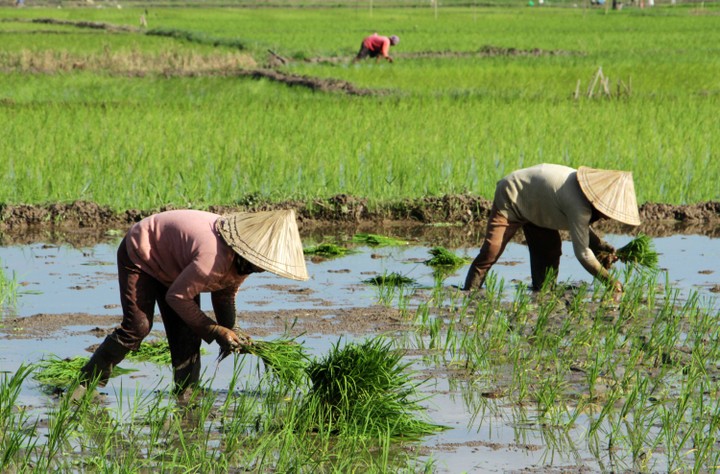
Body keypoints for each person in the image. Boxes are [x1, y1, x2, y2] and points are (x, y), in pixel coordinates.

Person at [75, 209, 308, 400]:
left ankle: (186, 393)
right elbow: (177, 297)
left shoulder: (244, 261)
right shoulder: (212, 258)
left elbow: (224, 294)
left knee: (187, 332)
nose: (265, 268)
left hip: (176, 265)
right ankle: (84, 385)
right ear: (252, 251)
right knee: (137, 326)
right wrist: (215, 331)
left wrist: (232, 330)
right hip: (143, 251)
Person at [462, 163, 641, 295]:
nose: (608, 217)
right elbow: (583, 254)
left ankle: (542, 294)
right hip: (512, 195)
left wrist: (600, 246)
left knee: (549, 251)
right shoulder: (579, 205)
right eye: (609, 211)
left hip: (540, 206)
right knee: (491, 251)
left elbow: (581, 230)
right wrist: (609, 281)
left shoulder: (582, 201)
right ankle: (469, 292)